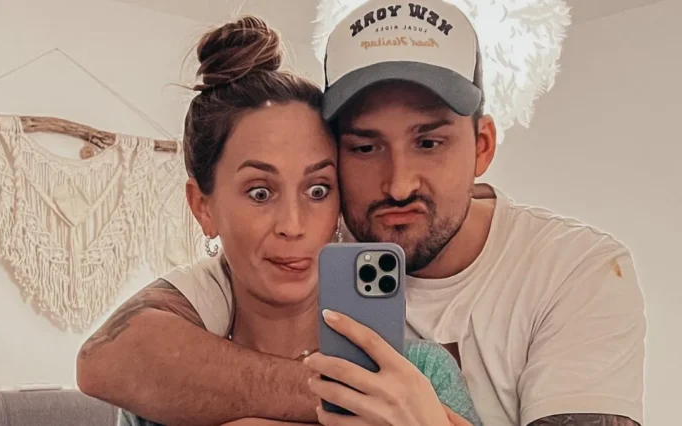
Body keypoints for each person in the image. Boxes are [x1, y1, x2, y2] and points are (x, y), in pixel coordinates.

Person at [78, 0, 647, 425]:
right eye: (365, 146)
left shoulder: (573, 271)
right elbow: (114, 357)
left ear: (482, 147)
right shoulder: (306, 249)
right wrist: (339, 396)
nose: (398, 184)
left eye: (429, 142)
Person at [84, 13, 480, 426]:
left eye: (318, 190)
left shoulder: (421, 372)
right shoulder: (164, 385)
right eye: (260, 192)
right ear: (203, 207)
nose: (293, 225)